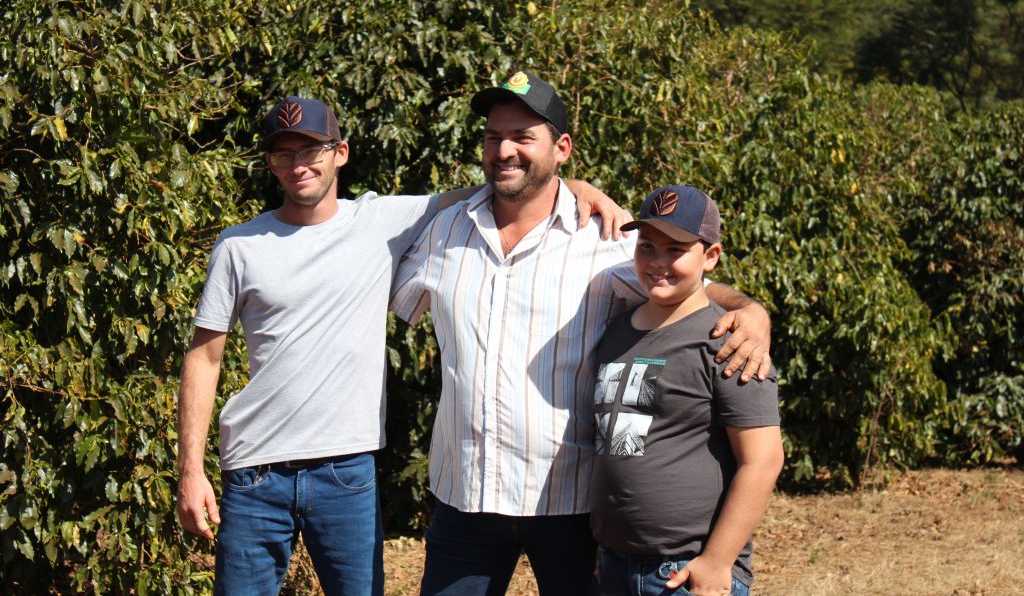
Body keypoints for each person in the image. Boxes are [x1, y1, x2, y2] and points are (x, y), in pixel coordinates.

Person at [174, 95, 624, 596]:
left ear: (340, 153)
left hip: (360, 473)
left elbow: (671, 285)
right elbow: (204, 355)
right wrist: (191, 468)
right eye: (284, 154)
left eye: (312, 150)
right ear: (269, 163)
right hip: (266, 474)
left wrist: (572, 186)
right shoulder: (242, 246)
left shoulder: (382, 223)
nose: (299, 165)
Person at [389, 71, 775, 595]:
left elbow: (681, 283)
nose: (504, 150)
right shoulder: (445, 231)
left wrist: (750, 309)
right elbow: (373, 286)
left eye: (523, 137)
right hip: (466, 499)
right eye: (493, 136)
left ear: (562, 147)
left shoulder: (605, 239)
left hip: (572, 506)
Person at [590, 184, 784, 596]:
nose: (657, 262)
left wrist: (717, 562)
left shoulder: (729, 341)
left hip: (683, 573)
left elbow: (763, 460)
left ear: (710, 256)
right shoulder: (616, 331)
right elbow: (623, 445)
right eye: (647, 246)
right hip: (613, 565)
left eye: (676, 250)